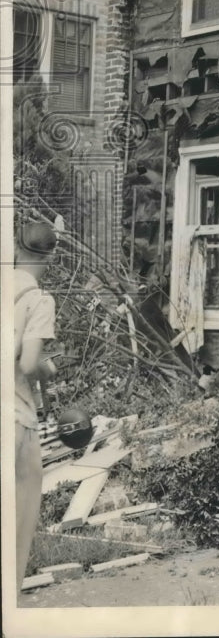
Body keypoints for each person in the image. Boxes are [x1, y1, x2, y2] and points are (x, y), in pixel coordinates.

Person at [14, 220, 59, 595]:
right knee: (16, 527)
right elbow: (28, 364)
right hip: (14, 417)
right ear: (51, 256)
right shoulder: (39, 299)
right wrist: (46, 365)